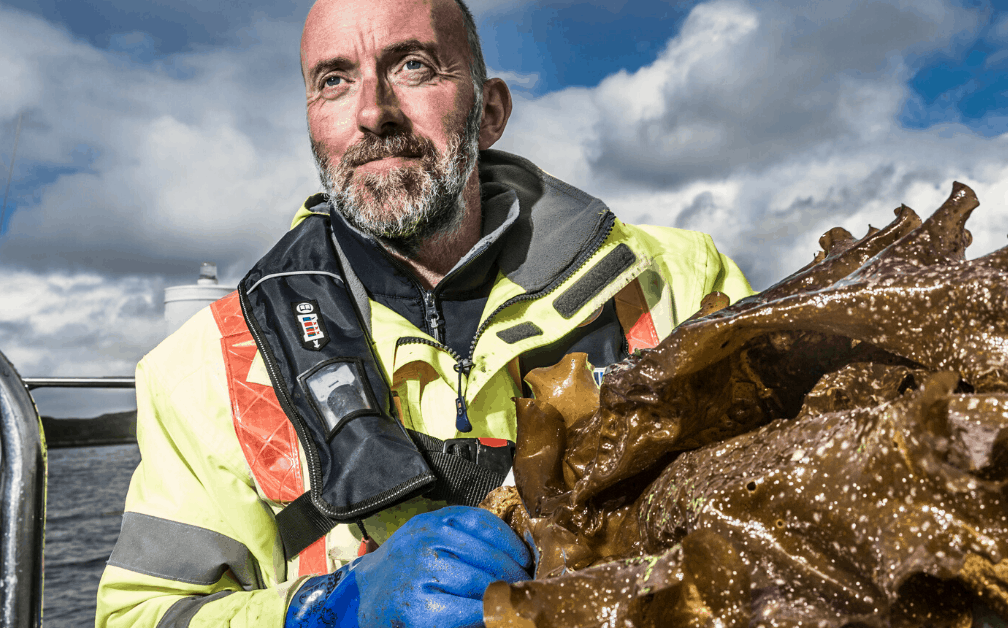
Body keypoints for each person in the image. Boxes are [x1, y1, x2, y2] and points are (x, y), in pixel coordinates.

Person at [95, 0, 752, 626]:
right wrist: (329, 610)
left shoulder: (685, 282)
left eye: (413, 65)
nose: (374, 111)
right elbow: (142, 616)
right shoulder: (204, 368)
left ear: (489, 110)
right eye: (334, 80)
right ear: (313, 124)